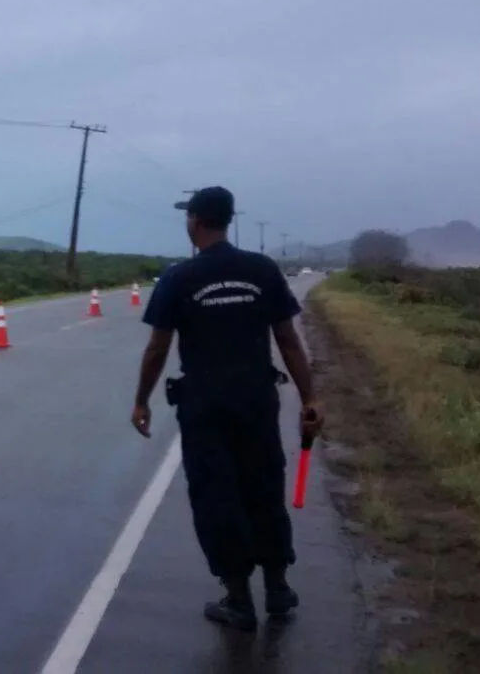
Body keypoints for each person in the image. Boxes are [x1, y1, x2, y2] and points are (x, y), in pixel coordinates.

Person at [130, 185, 323, 631]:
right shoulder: (261, 270)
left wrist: (141, 400)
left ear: (195, 221)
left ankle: (239, 599)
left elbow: (158, 347)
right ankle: (278, 588)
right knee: (262, 486)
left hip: (205, 405)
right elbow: (288, 339)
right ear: (228, 221)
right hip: (257, 400)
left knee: (217, 495)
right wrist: (311, 397)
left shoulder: (179, 278)